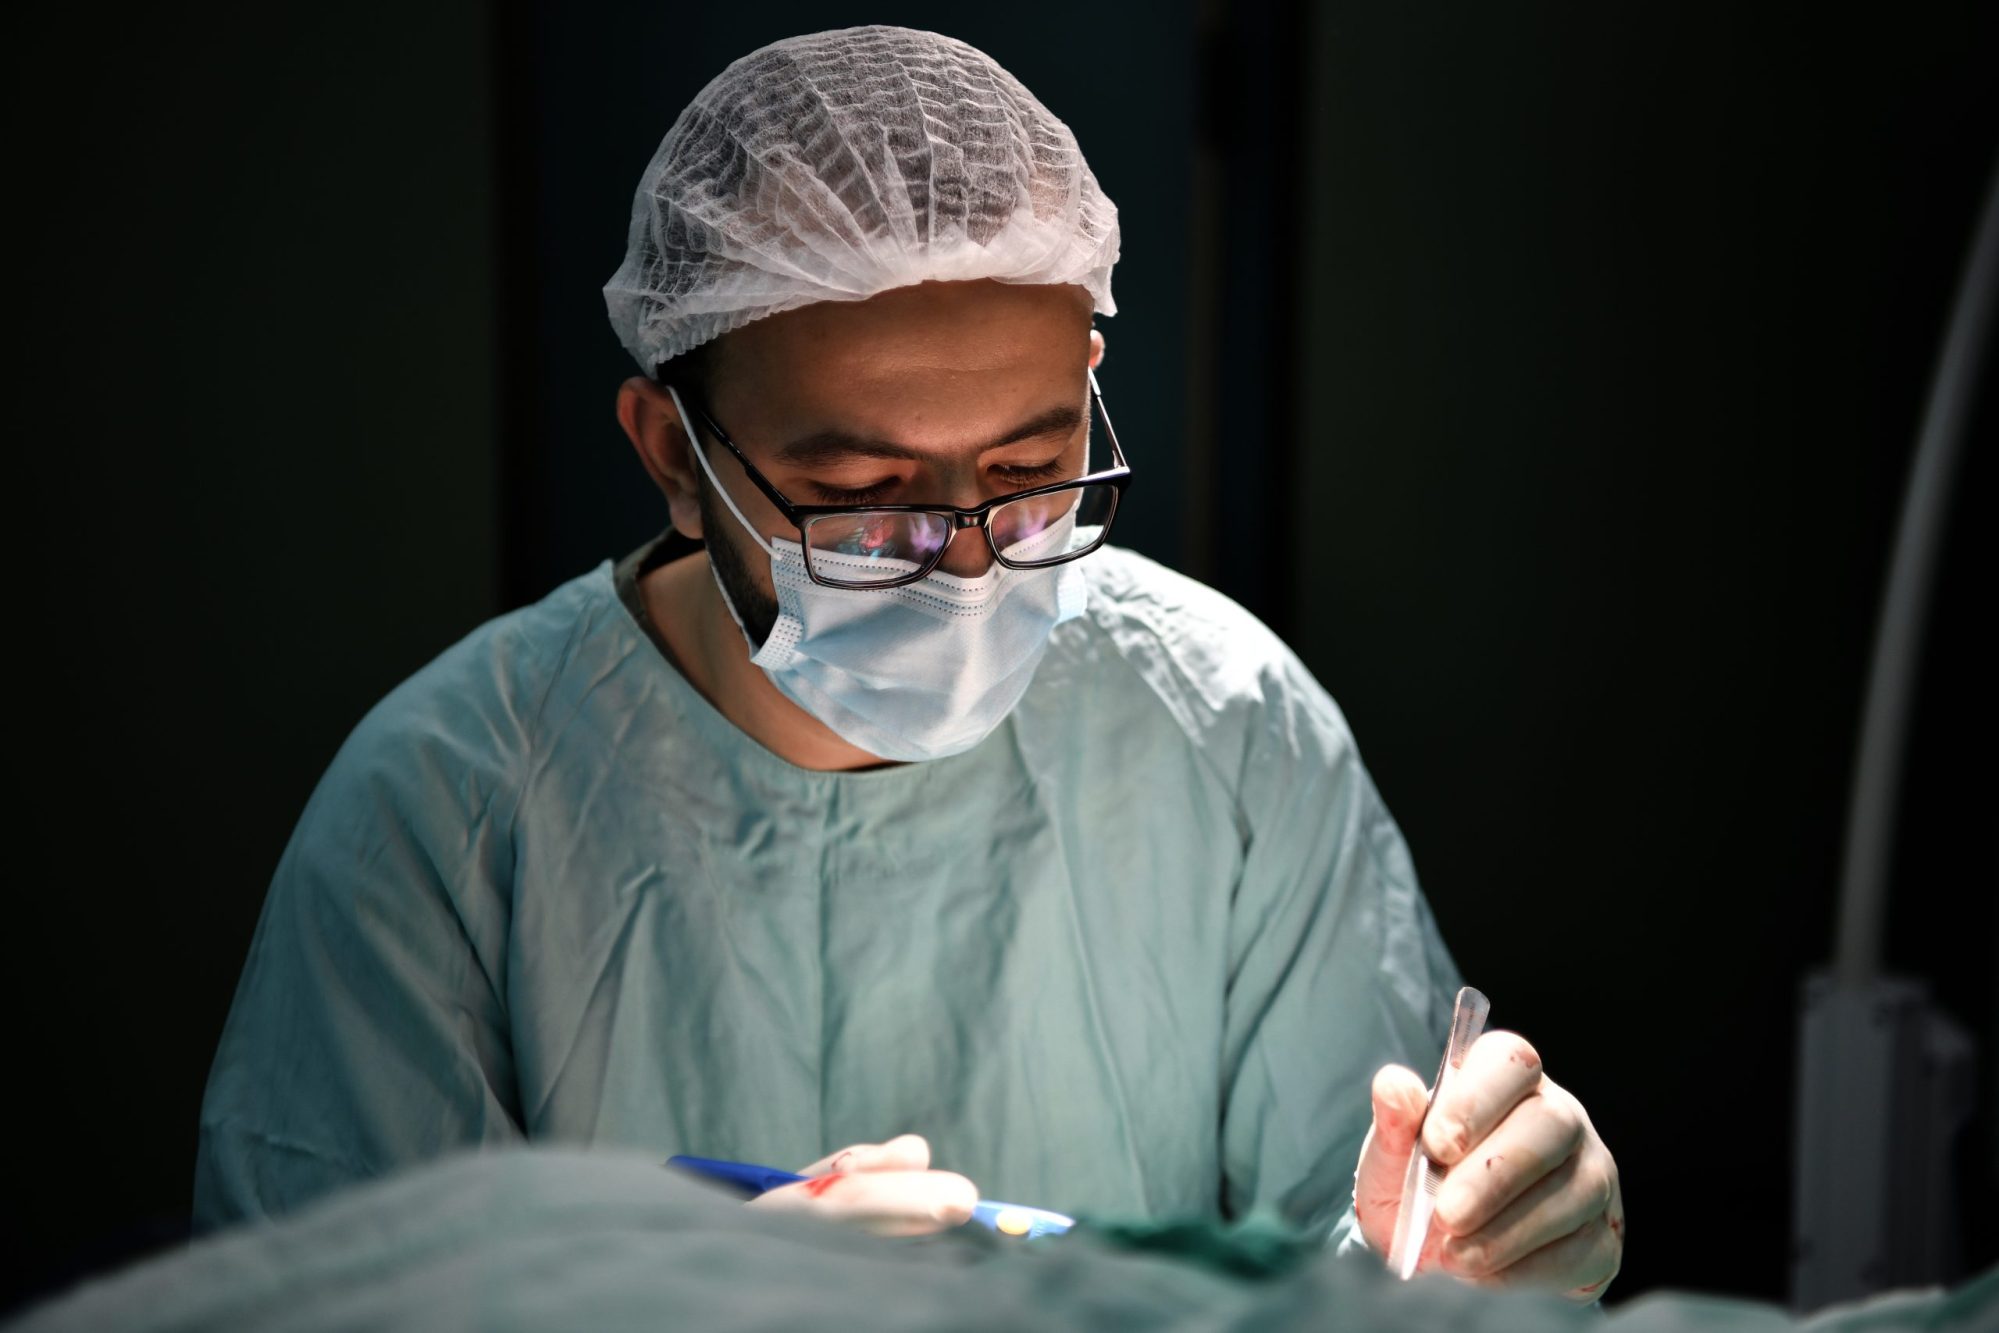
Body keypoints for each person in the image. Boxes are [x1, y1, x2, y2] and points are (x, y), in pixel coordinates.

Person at [195, 24, 1623, 1300]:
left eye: (1030, 470)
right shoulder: (441, 823)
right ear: (673, 461)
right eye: (869, 501)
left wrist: (1464, 1258)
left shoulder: (1225, 731)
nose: (968, 566)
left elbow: (1360, 1267)